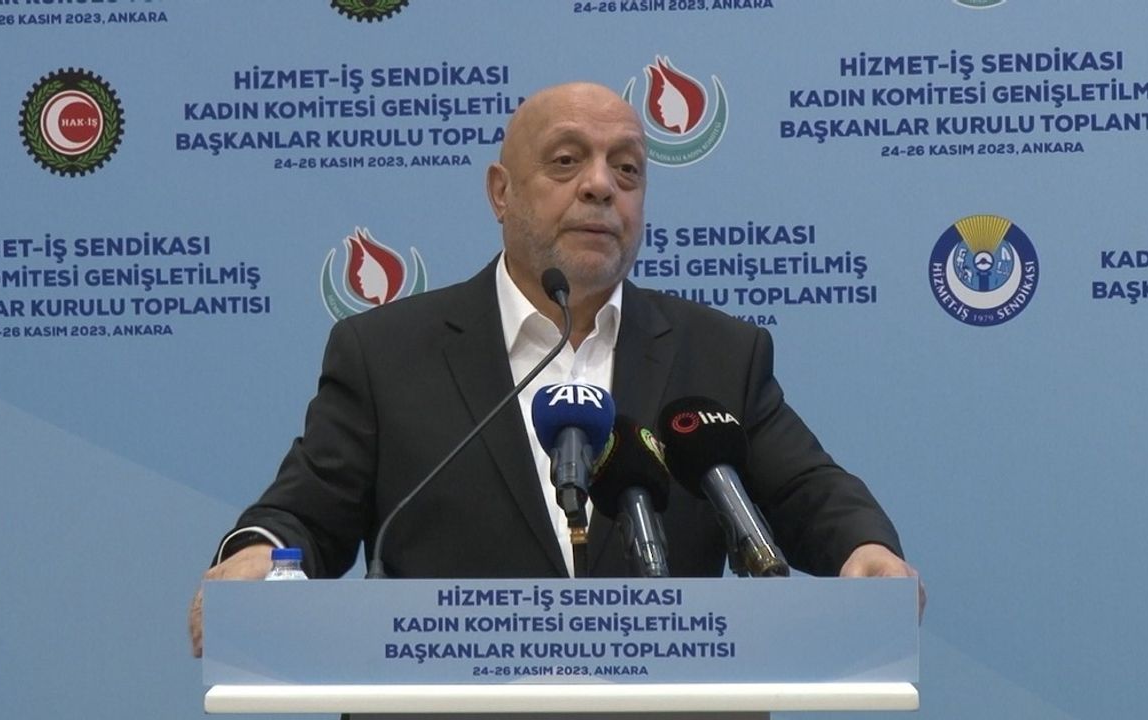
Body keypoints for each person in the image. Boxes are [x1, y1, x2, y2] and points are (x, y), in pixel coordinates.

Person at [189, 82, 922, 658]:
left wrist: (866, 550)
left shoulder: (720, 351)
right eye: (567, 161)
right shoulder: (386, 352)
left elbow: (806, 490)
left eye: (627, 169)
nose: (602, 186)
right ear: (501, 191)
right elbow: (307, 511)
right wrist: (256, 557)